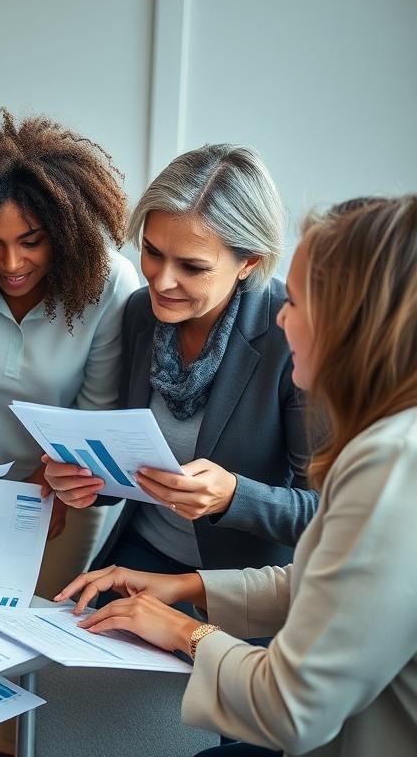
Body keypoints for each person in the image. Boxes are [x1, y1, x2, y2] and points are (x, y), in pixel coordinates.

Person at [60, 195, 417, 756]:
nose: (281, 315)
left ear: (351, 323)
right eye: (152, 253)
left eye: (296, 301)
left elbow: (292, 710)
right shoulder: (390, 445)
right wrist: (187, 588)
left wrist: (184, 627)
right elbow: (328, 577)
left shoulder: (392, 465)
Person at [45, 145, 318, 597]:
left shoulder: (291, 336)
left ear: (248, 262)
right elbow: (128, 474)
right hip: (138, 558)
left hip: (242, 586)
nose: (161, 280)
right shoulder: (139, 313)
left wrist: (234, 496)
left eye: (192, 267)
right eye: (152, 252)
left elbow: (329, 513)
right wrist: (83, 481)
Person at [0, 110, 139, 585]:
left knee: (33, 629)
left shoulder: (108, 283)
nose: (11, 263)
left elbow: (96, 407)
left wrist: (50, 485)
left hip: (66, 484)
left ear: (61, 231)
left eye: (31, 242)